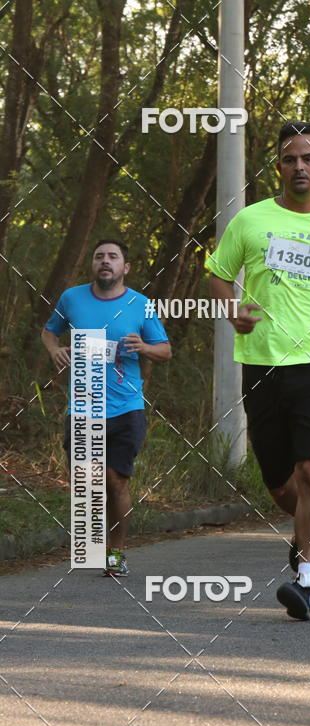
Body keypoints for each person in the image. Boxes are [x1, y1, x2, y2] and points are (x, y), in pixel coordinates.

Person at [207, 121, 310, 620]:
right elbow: (218, 275)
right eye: (289, 158)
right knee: (281, 484)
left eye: (308, 158)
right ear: (278, 167)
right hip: (262, 363)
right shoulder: (250, 220)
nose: (298, 166)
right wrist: (231, 312)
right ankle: (306, 531)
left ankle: (306, 581)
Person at [42, 239, 171, 575]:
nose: (105, 261)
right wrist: (54, 350)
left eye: (113, 257)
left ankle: (116, 552)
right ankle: (93, 540)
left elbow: (165, 350)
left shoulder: (140, 304)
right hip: (83, 405)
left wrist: (144, 347)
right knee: (86, 482)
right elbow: (49, 332)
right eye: (99, 256)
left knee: (115, 481)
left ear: (125, 267)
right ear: (93, 264)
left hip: (126, 407)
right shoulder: (72, 298)